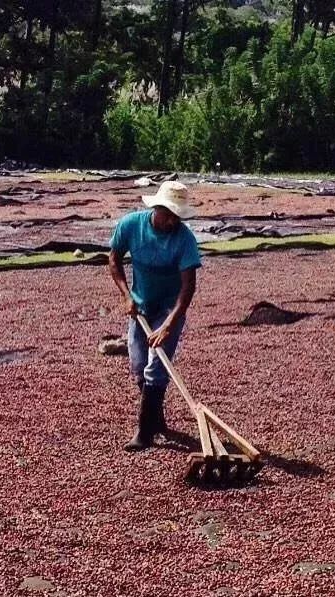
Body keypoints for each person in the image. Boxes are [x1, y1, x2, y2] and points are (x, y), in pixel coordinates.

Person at [108, 180, 201, 451]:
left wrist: (169, 326)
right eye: (168, 214)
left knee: (156, 368)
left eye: (177, 216)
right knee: (138, 365)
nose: (172, 221)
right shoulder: (131, 225)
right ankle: (157, 418)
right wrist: (126, 295)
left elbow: (188, 287)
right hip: (140, 306)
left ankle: (145, 432)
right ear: (156, 208)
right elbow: (113, 258)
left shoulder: (185, 239)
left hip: (170, 309)